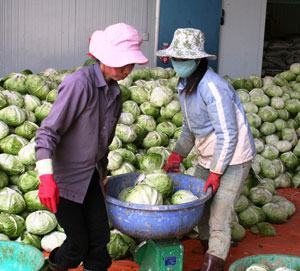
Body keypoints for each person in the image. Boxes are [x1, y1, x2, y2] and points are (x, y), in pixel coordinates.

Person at [35, 23, 148, 271]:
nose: (128, 69)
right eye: (122, 63)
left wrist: (103, 172)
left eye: (131, 64)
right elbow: (47, 133)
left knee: (99, 242)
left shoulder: (115, 93)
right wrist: (46, 178)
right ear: (104, 58)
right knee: (77, 245)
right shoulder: (79, 84)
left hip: (92, 177)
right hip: (65, 182)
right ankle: (49, 268)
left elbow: (103, 141)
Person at [157, 28, 256, 271]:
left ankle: (214, 263)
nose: (178, 63)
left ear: (197, 59)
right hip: (208, 155)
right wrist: (177, 154)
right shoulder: (185, 84)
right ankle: (207, 251)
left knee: (220, 212)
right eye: (176, 58)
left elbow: (228, 134)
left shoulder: (213, 87)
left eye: (184, 59)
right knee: (199, 207)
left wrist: (216, 172)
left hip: (233, 157)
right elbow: (189, 129)